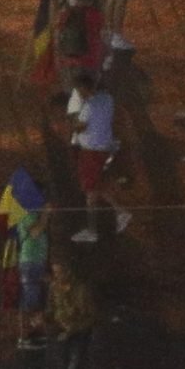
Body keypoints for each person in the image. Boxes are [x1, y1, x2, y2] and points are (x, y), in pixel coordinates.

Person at [67, 73, 128, 242]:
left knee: (90, 191)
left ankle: (94, 230)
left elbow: (79, 128)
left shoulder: (88, 107)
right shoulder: (107, 99)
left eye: (79, 91)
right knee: (95, 186)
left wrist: (73, 122)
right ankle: (119, 213)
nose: (79, 94)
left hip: (91, 152)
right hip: (104, 149)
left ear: (84, 89)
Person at [51, 260, 99, 369]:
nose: (57, 276)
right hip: (63, 335)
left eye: (59, 272)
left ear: (68, 272)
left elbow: (91, 317)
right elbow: (52, 310)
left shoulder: (81, 290)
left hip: (79, 335)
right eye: (54, 272)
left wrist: (73, 330)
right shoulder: (54, 288)